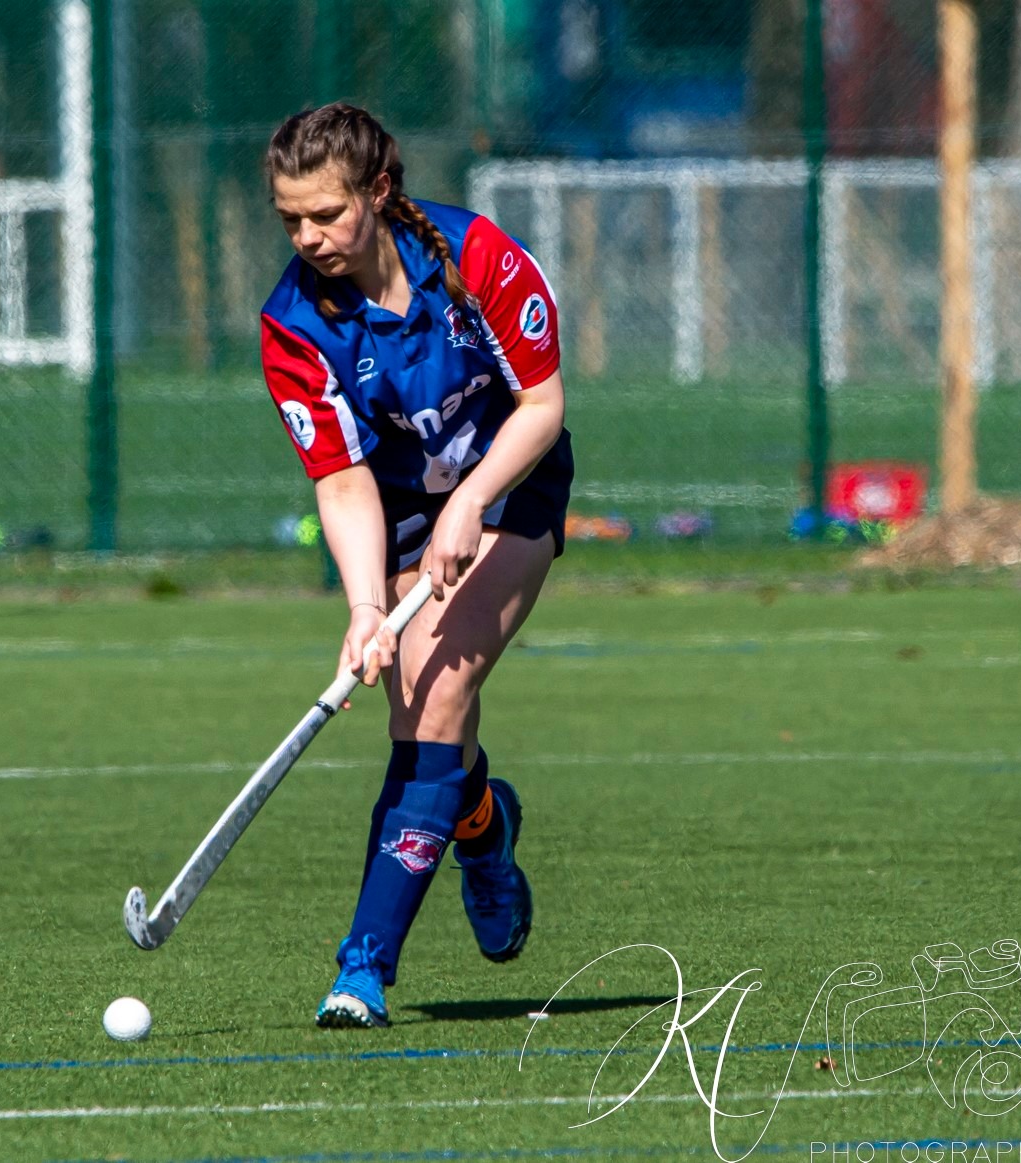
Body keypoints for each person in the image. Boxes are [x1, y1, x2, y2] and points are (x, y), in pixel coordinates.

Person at [258, 103, 573, 1028]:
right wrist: (364, 607)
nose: (307, 238)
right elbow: (341, 479)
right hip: (396, 508)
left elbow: (542, 405)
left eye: (326, 214)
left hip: (511, 480)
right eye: (290, 219)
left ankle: (362, 966)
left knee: (436, 695)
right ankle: (481, 823)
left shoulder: (478, 259)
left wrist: (471, 501)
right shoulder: (293, 325)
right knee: (420, 711)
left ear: (379, 191)